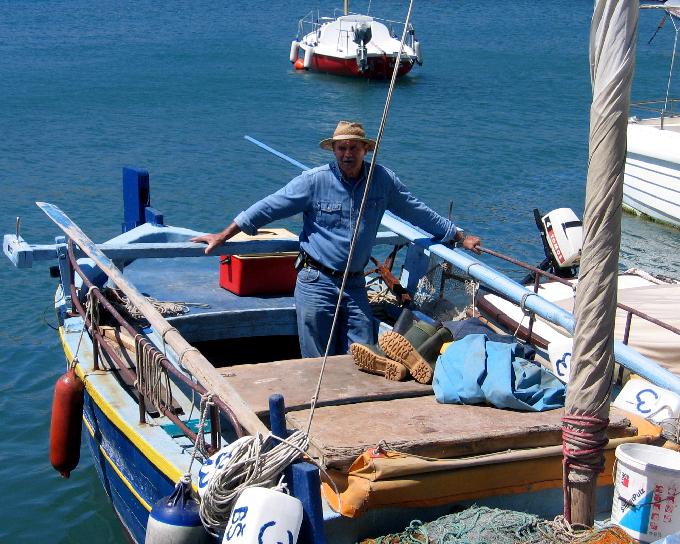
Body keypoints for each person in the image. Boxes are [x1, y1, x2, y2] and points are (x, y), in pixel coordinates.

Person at [191, 120, 481, 358]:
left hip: (355, 283)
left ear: (365, 150)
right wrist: (224, 234)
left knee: (363, 349)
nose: (347, 154)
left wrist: (458, 235)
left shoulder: (382, 181)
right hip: (316, 280)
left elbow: (416, 210)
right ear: (333, 151)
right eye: (341, 148)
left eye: (353, 147)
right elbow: (269, 207)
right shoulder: (314, 181)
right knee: (316, 357)